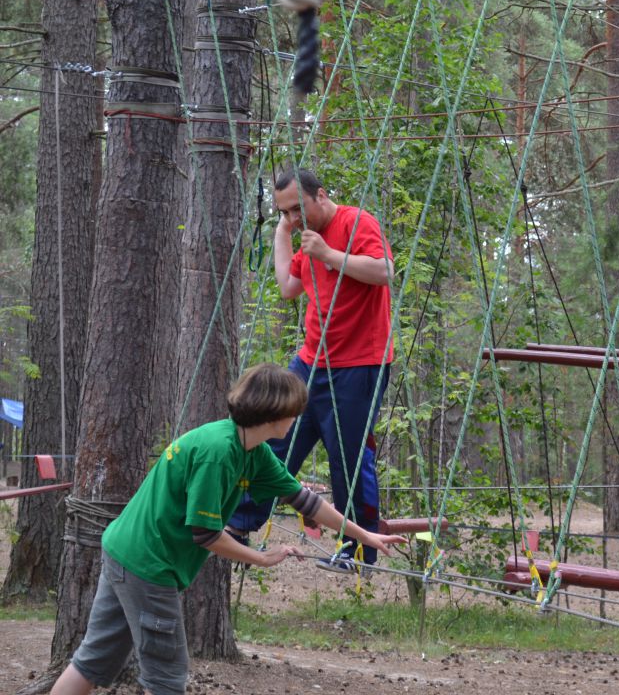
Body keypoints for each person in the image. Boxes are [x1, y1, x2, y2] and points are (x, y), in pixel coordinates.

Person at [49, 364, 404, 695]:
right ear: (274, 413)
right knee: (166, 676)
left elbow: (304, 500)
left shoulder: (252, 450)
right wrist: (261, 558)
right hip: (148, 563)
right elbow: (205, 535)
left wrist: (363, 535)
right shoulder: (218, 452)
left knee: (93, 660)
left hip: (126, 552)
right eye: (294, 411)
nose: (298, 418)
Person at [229, 168, 394, 572]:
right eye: (285, 212)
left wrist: (329, 255)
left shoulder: (355, 222)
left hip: (360, 364)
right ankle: (239, 525)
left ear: (320, 195)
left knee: (347, 457)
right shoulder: (305, 236)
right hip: (310, 361)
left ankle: (357, 551)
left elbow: (384, 271)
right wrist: (281, 234)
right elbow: (288, 287)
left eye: (296, 209)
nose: (293, 218)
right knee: (271, 440)